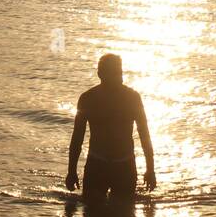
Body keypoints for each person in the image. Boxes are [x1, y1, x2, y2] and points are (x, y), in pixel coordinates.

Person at [65, 53, 156, 198]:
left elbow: (144, 135)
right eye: (114, 73)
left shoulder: (132, 98)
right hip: (97, 164)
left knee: (124, 215)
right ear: (100, 74)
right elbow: (77, 139)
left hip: (124, 164)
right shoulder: (87, 99)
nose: (118, 77)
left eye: (119, 72)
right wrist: (71, 172)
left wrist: (150, 170)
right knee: (92, 216)